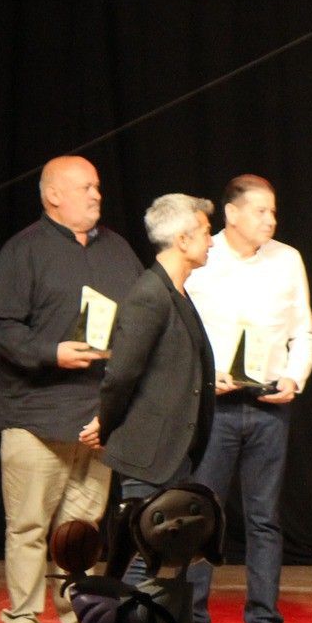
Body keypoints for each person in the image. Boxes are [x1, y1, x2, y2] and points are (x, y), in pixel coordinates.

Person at [0, 155, 142, 623]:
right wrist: (51, 352)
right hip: (35, 416)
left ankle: (78, 620)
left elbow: (140, 316)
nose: (97, 195)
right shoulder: (23, 251)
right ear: (53, 195)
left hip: (96, 417)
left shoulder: (117, 250)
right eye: (86, 187)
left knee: (81, 531)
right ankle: (23, 622)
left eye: (97, 187)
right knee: (29, 526)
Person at [181, 174, 312, 623]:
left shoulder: (287, 260)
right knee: (200, 516)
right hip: (214, 407)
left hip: (267, 406)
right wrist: (203, 376)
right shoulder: (202, 257)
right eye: (261, 211)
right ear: (232, 213)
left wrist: (294, 377)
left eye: (273, 211)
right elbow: (180, 332)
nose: (270, 220)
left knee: (264, 519)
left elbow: (304, 332)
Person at [86, 194, 219, 517]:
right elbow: (121, 374)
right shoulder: (149, 294)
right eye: (206, 233)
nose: (212, 242)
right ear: (182, 240)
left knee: (165, 545)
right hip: (148, 457)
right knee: (142, 545)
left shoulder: (177, 293)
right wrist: (106, 423)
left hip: (173, 454)